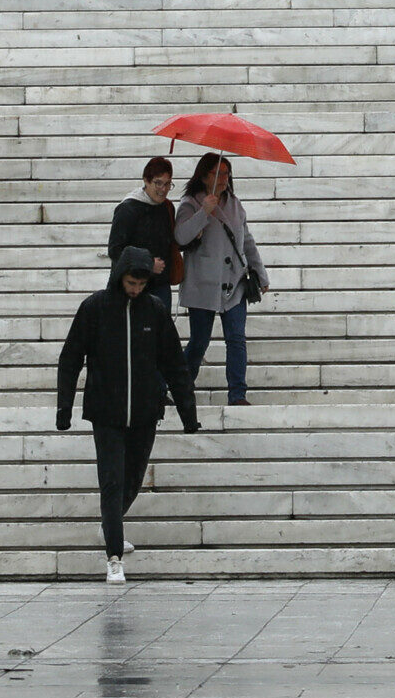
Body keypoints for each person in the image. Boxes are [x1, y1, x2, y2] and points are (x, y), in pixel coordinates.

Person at [56, 246, 199, 584]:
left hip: (146, 412)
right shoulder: (95, 309)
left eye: (141, 284)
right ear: (120, 276)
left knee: (132, 479)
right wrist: (65, 407)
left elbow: (174, 364)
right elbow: (71, 357)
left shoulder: (155, 310)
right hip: (106, 412)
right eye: (131, 282)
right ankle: (114, 556)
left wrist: (188, 412)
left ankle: (111, 526)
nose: (135, 289)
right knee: (112, 480)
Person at [175, 152, 269, 406]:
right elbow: (181, 237)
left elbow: (246, 241)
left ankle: (237, 394)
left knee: (236, 339)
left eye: (227, 173)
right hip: (202, 285)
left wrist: (260, 272)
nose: (224, 178)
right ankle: (178, 388)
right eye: (218, 173)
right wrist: (203, 212)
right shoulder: (190, 203)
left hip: (234, 283)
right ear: (204, 176)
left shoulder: (235, 203)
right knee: (199, 342)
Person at [109, 158, 178, 310]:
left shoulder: (167, 207)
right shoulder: (128, 209)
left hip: (160, 286)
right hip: (132, 286)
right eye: (158, 183)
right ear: (146, 181)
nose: (163, 189)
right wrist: (147, 263)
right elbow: (115, 250)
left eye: (168, 184)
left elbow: (173, 241)